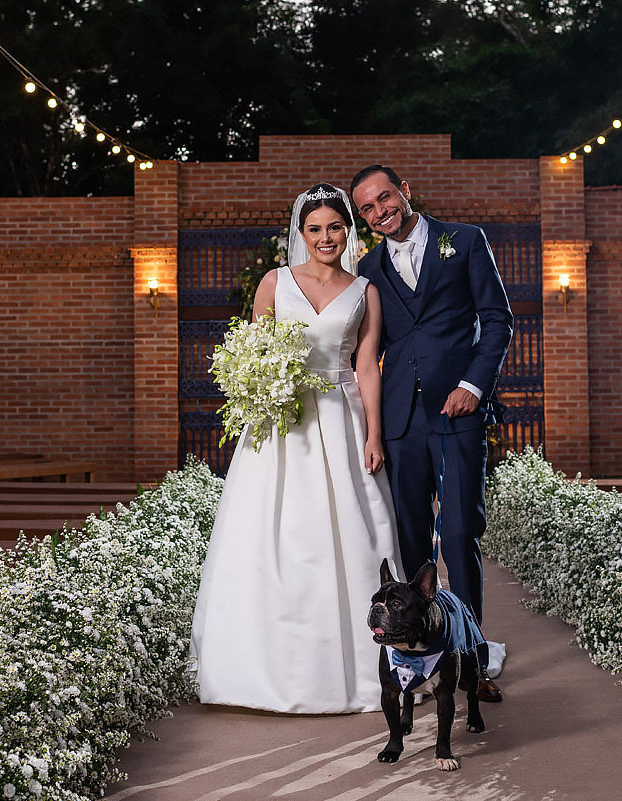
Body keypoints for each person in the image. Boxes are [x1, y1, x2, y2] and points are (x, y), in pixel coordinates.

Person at [192, 183, 403, 714]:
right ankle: (265, 667)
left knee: (353, 531)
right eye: (315, 229)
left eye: (335, 227)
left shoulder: (364, 291)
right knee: (276, 536)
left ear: (348, 230)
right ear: (300, 233)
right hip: (282, 424)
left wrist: (374, 433)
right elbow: (252, 352)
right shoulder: (274, 283)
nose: (326, 237)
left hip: (341, 416)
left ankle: (369, 666)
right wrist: (257, 393)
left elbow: (366, 368)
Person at [350, 165, 513, 702]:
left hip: (457, 410)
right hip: (400, 421)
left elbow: (497, 320)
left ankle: (472, 663)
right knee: (412, 545)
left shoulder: (464, 241)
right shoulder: (367, 268)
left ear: (406, 192)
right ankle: (419, 660)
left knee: (462, 533)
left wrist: (473, 383)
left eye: (386, 198)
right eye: (368, 209)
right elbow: (366, 352)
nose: (380, 212)